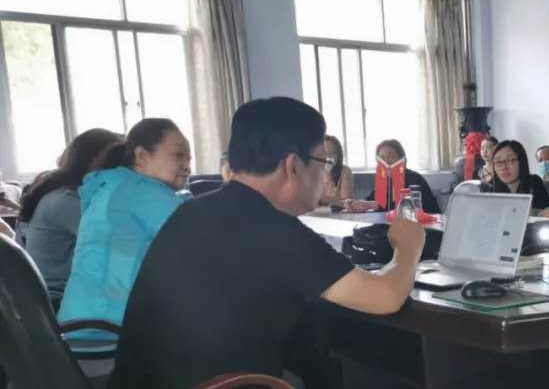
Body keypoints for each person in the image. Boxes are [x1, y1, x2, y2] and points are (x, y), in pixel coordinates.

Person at [106, 97, 426, 389]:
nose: (326, 175)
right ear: (293, 166)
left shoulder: (192, 211)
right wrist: (408, 245)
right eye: (323, 162)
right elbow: (386, 297)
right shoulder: (272, 229)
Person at [58, 119, 191, 340]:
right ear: (142, 156)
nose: (187, 166)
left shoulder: (115, 185)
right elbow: (200, 239)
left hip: (79, 326)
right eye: (178, 155)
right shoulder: (141, 192)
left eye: (189, 159)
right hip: (107, 331)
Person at [19, 128, 122, 303]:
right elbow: (119, 243)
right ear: (94, 162)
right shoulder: (66, 201)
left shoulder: (65, 195)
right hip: (58, 301)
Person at [343, 139, 441, 215]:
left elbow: (404, 207)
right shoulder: (385, 180)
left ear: (402, 159)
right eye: (382, 158)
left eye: (392, 156)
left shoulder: (413, 178)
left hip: (425, 229)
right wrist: (354, 203)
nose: (386, 161)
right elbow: (370, 199)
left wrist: (371, 205)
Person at [485, 140, 549, 210]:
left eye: (510, 160)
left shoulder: (534, 182)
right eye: (498, 162)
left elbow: (542, 212)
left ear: (522, 162)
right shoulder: (491, 189)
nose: (504, 167)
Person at [318, 136, 354, 206]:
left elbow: (346, 201)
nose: (328, 157)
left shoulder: (345, 171)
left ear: (338, 155)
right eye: (325, 153)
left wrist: (328, 175)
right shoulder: (314, 172)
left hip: (338, 211)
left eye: (332, 153)